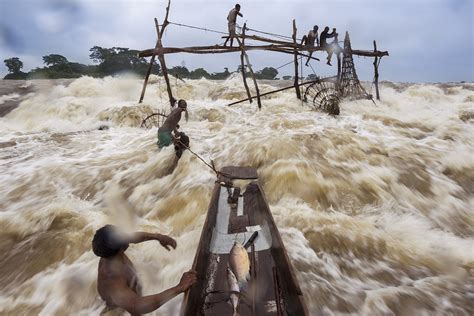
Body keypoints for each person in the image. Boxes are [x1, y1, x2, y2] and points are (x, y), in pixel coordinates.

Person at [92, 225, 197, 315]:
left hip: (129, 295)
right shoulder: (113, 280)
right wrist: (179, 288)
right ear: (120, 247)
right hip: (120, 310)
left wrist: (158, 237)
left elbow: (132, 237)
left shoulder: (110, 251)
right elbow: (137, 306)